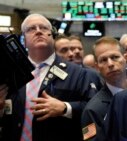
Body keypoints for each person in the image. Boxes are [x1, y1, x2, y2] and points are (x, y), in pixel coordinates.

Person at [0, 13, 101, 141]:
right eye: (31, 29)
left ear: (53, 36)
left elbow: (97, 111)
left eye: (43, 28)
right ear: (23, 40)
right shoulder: (10, 74)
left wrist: (66, 108)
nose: (38, 31)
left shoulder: (80, 74)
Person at [81, 36, 127, 141]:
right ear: (97, 67)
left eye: (115, 57)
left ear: (125, 58)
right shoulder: (92, 110)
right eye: (103, 60)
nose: (110, 64)